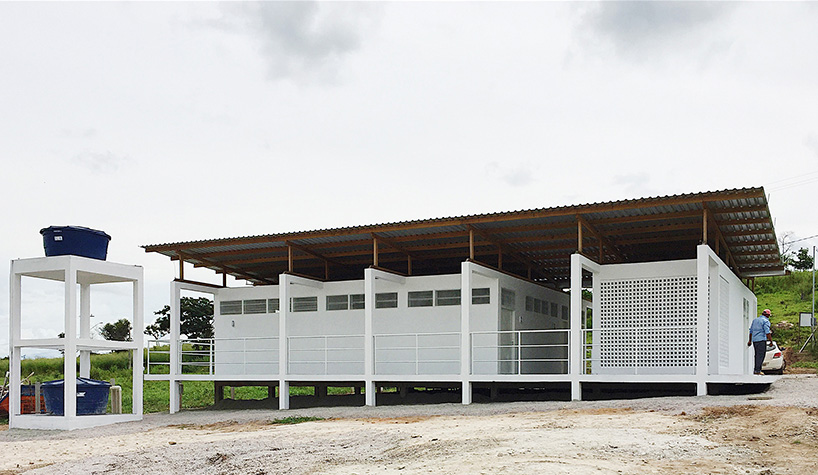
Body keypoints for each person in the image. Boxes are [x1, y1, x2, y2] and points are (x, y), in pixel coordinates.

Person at [748, 309, 772, 375]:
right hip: (761, 340)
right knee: (761, 355)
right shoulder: (766, 321)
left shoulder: (755, 320)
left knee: (757, 355)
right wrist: (771, 341)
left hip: (755, 341)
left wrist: (750, 341)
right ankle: (758, 370)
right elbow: (767, 332)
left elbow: (751, 331)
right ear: (767, 315)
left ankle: (756, 369)